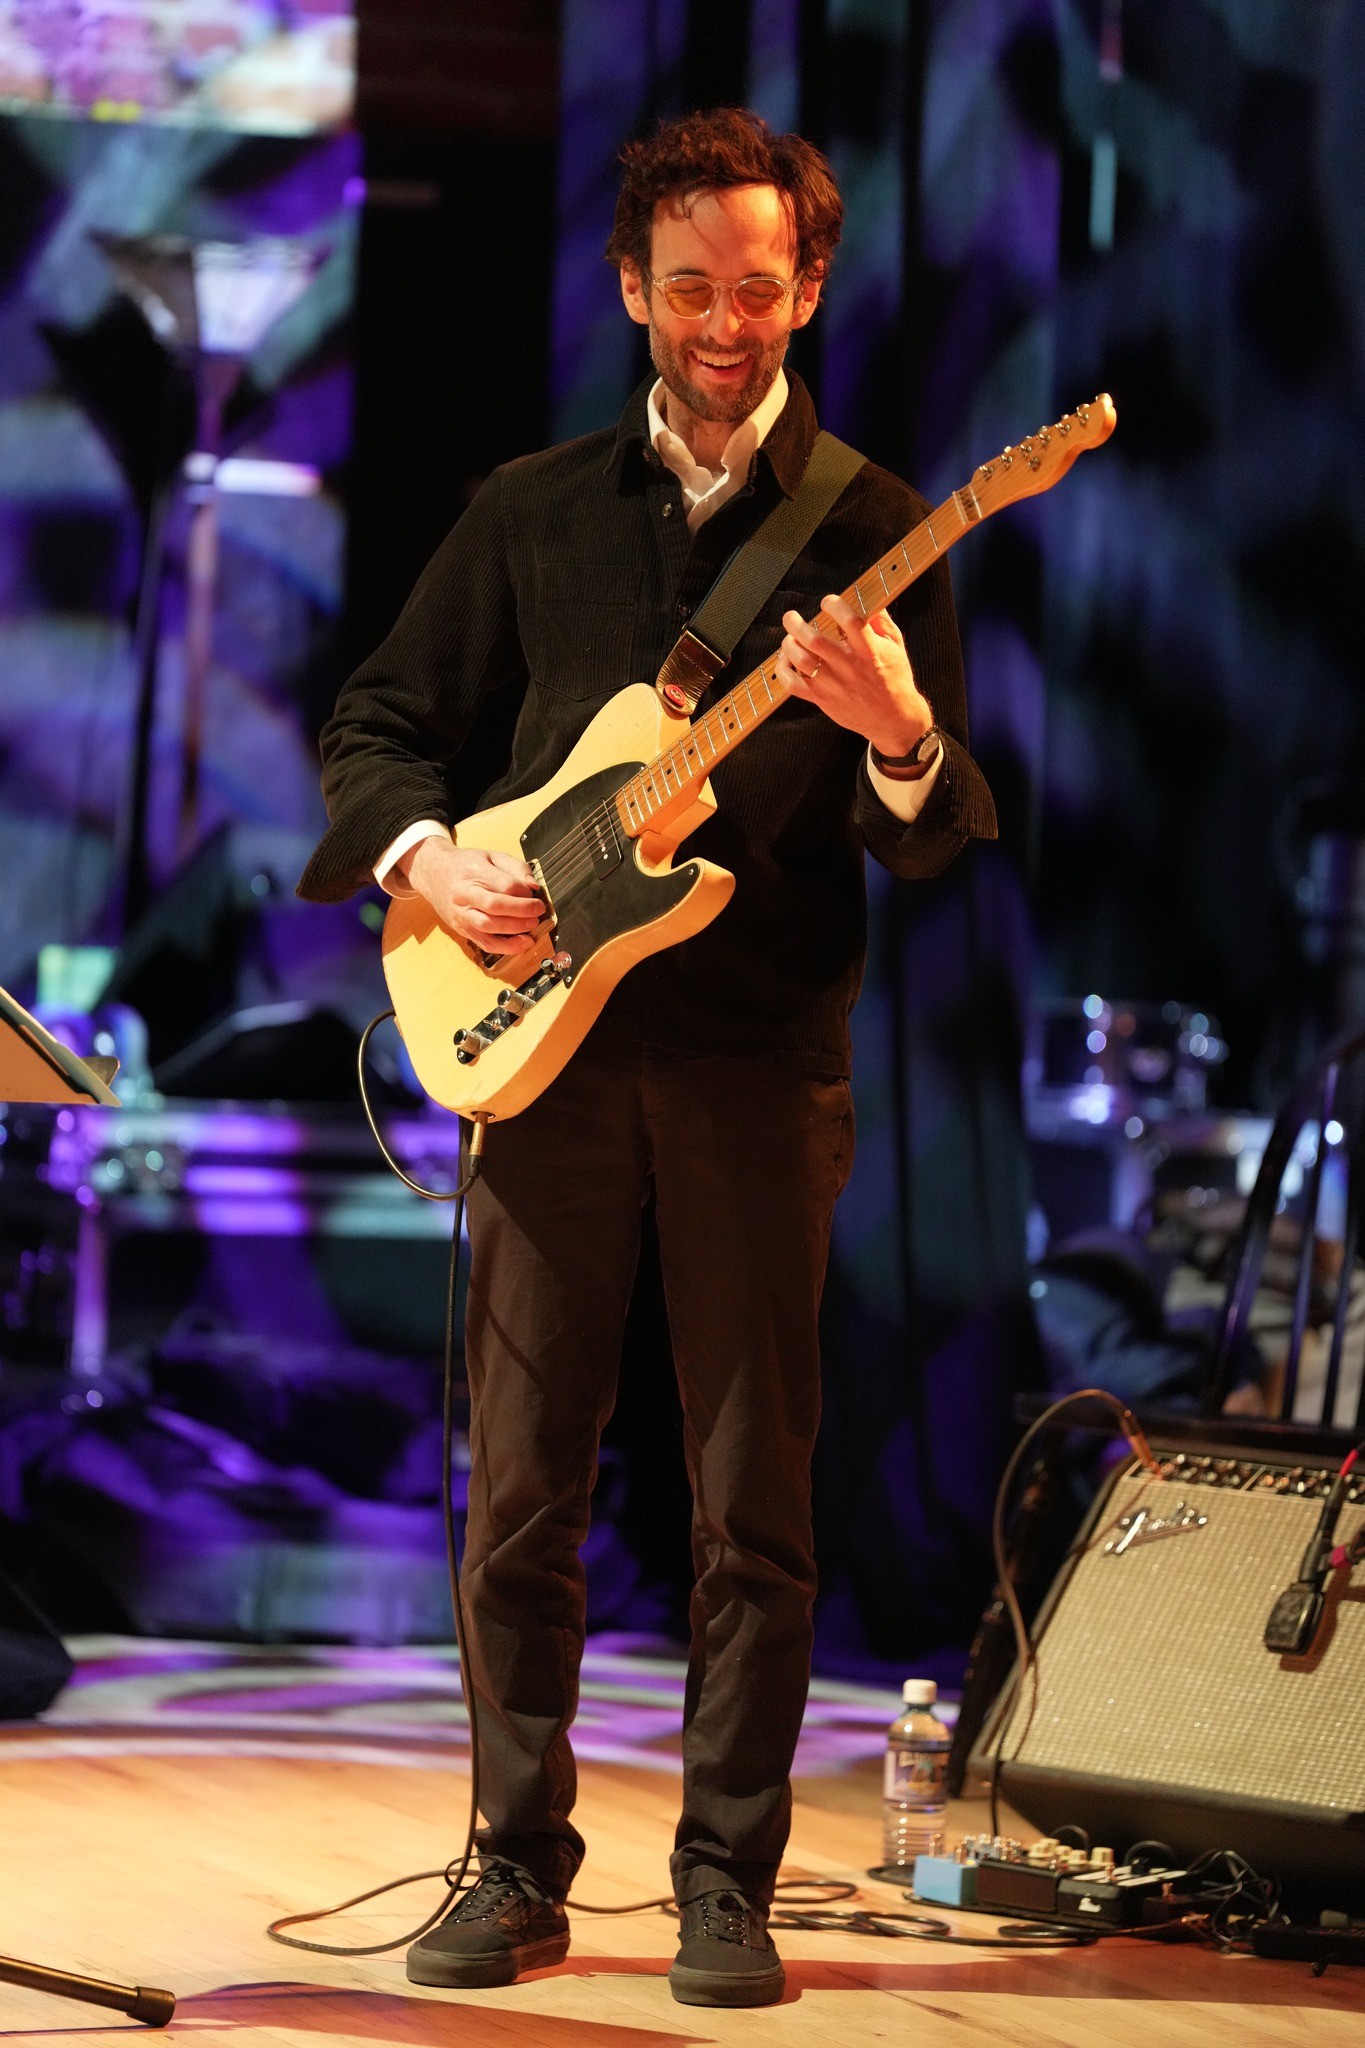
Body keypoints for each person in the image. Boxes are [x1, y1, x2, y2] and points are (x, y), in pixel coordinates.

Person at [299, 107, 995, 2009]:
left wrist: (899, 733)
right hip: (542, 1056)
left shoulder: (872, 522)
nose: (723, 323)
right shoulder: (531, 507)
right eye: (688, 287)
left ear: (807, 289)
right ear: (630, 289)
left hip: (760, 1060)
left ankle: (725, 1883)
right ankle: (513, 1863)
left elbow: (934, 832)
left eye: (757, 288)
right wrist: (428, 859)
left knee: (751, 1499)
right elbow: (378, 725)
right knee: (520, 1487)